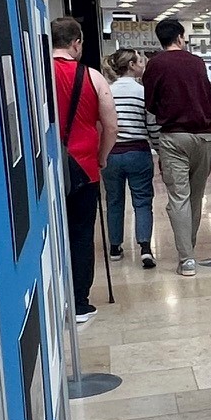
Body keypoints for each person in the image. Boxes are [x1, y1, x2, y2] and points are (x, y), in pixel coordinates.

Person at [51, 17, 117, 323]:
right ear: (76, 42)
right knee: (80, 234)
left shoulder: (34, 73)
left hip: (43, 169)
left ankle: (51, 298)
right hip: (83, 167)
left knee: (49, 235)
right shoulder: (93, 77)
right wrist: (102, 156)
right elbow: (111, 124)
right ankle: (79, 302)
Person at [141, 16, 211, 276]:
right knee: (196, 197)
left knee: (179, 198)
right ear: (180, 38)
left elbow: (150, 104)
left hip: (173, 136)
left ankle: (187, 258)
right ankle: (190, 247)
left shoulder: (154, 64)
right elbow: (208, 96)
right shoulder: (197, 63)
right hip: (205, 136)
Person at [103, 49, 158, 269]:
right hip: (138, 152)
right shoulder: (143, 92)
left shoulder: (106, 91)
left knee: (114, 201)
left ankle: (115, 247)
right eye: (141, 61)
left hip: (112, 154)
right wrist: (158, 149)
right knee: (142, 201)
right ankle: (145, 248)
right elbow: (152, 125)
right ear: (133, 65)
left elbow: (102, 125)